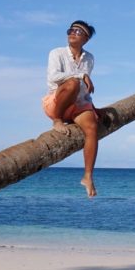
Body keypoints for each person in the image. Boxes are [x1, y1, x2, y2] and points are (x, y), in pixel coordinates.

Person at [43, 20, 100, 198]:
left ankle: (88, 176)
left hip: (78, 104)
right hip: (56, 102)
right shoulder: (57, 53)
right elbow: (54, 77)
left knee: (92, 127)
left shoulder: (89, 58)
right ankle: (57, 121)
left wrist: (91, 107)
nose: (72, 33)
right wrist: (80, 75)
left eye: (78, 31)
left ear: (86, 39)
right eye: (71, 30)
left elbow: (84, 89)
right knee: (73, 83)